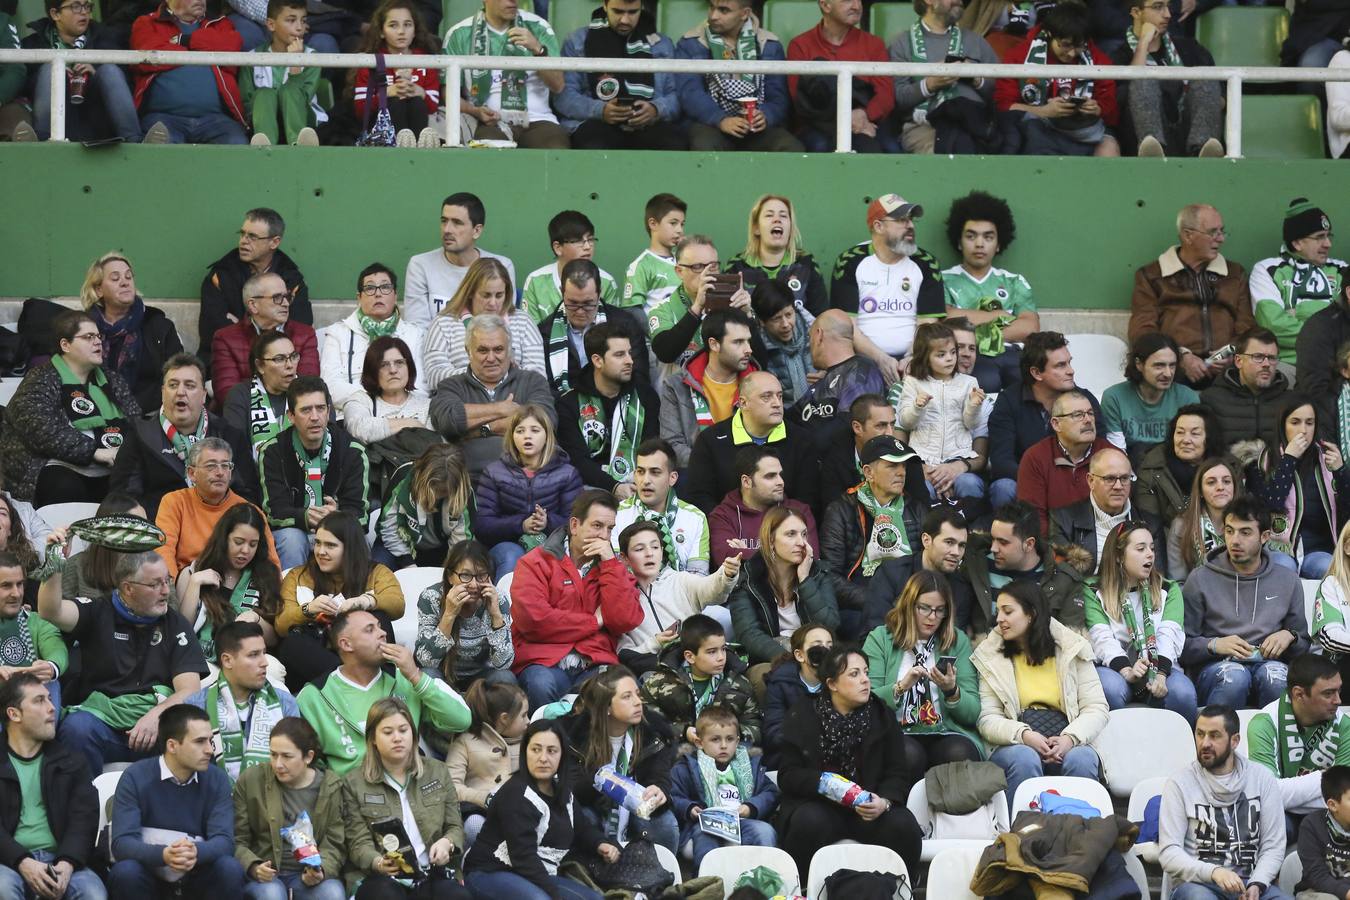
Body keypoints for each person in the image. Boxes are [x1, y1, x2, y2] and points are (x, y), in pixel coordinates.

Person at [40, 545, 207, 776]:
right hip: (102, 726)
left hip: (157, 728)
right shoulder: (98, 611)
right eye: (154, 584)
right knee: (77, 729)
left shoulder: (175, 623)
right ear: (128, 588)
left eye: (166, 580)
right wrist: (55, 560)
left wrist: (156, 715)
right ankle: (85, 808)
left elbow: (189, 690)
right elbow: (50, 611)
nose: (166, 591)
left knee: (194, 734)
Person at [776, 644, 923, 882]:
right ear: (832, 684)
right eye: (854, 674)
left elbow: (897, 772)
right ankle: (802, 889)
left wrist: (884, 801)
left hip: (868, 810)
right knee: (808, 822)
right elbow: (788, 775)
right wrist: (822, 782)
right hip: (820, 806)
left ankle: (900, 888)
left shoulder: (881, 714)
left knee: (904, 825)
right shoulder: (803, 714)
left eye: (866, 672)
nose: (865, 680)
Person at [971, 580, 1109, 813]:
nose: (999, 619)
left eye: (1008, 611)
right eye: (998, 612)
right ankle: (1023, 833)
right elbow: (987, 718)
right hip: (1016, 743)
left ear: (1031, 614)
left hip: (1067, 737)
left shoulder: (1072, 648)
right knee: (1024, 759)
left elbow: (1096, 708)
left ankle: (1082, 833)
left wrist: (1070, 739)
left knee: (1082, 759)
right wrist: (1024, 735)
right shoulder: (990, 655)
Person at [510, 490, 641, 709]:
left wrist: (610, 564)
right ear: (574, 526)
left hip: (594, 663)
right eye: (597, 526)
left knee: (627, 691)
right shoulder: (534, 563)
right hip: (543, 662)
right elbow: (534, 621)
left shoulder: (613, 569)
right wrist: (594, 622)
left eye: (610, 529)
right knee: (540, 685)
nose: (604, 536)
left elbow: (625, 620)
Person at [299, 611, 470, 776]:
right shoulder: (314, 695)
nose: (382, 633)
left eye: (380, 627)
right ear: (346, 644)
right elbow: (310, 764)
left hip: (409, 785)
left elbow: (461, 720)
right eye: (370, 629)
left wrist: (414, 676)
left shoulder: (405, 679)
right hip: (351, 795)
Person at [1181, 496, 1309, 709]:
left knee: (1276, 678)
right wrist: (1214, 645)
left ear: (1265, 536)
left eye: (1245, 532)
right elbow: (1181, 646)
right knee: (1235, 678)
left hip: (1269, 663)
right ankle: (1219, 739)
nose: (1234, 540)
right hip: (1217, 666)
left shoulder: (1287, 580)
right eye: (1229, 531)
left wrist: (1290, 636)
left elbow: (1303, 645)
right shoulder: (1200, 578)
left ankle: (1273, 741)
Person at [1, 310, 139, 504]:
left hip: (112, 465)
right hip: (55, 467)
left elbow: (135, 421)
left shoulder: (112, 379)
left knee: (137, 484)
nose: (98, 341)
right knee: (64, 486)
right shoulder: (40, 379)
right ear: (65, 345)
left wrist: (126, 455)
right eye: (88, 337)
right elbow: (40, 428)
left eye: (98, 336)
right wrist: (94, 452)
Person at [339, 698, 471, 900]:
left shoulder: (438, 771)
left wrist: (447, 843)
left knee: (457, 896)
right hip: (381, 877)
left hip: (431, 874)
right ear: (373, 738)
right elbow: (358, 842)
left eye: (403, 730)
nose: (397, 738)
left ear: (413, 734)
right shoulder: (354, 782)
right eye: (388, 732)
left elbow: (455, 826)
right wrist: (378, 863)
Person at [463, 719, 609, 900]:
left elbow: (582, 827)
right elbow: (523, 857)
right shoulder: (516, 793)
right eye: (536, 749)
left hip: (536, 874)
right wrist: (555, 895)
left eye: (551, 751)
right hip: (489, 872)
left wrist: (601, 843)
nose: (543, 758)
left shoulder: (562, 792)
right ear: (525, 752)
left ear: (562, 755)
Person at [107, 705, 244, 897]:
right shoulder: (135, 776)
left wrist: (194, 852)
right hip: (150, 876)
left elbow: (224, 841)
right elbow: (122, 843)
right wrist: (164, 855)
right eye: (200, 742)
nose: (209, 750)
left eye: (210, 741)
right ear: (172, 746)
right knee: (126, 872)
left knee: (229, 868)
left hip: (197, 875)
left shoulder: (217, 779)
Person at [1159, 705, 1290, 900]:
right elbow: (1169, 853)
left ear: (1235, 740)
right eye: (1200, 734)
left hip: (1250, 883)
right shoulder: (1179, 784)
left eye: (1214, 735)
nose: (1205, 743)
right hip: (1199, 885)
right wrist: (1214, 872)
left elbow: (1273, 846)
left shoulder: (1262, 779)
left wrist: (1258, 883)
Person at [113, 354, 258, 519]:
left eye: (190, 386)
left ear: (204, 395)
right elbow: (124, 498)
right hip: (160, 531)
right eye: (173, 385)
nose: (180, 392)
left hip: (216, 533)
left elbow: (247, 497)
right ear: (162, 393)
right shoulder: (140, 434)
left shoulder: (228, 436)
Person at [863, 570, 983, 771]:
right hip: (897, 730)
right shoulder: (880, 639)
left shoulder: (957, 640)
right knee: (908, 754)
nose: (932, 617)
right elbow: (866, 702)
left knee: (959, 753)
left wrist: (951, 691)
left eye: (940, 610)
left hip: (945, 731)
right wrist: (900, 687)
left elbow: (972, 714)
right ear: (909, 606)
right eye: (924, 608)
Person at [0, 673, 105, 900]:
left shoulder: (72, 761)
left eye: (50, 699)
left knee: (92, 893)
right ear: (14, 714)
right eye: (39, 701)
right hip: (6, 863)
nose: (52, 708)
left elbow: (84, 820)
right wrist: (22, 861)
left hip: (61, 860)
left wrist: (66, 864)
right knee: (3, 889)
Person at [274, 512, 404, 693]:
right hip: (318, 658)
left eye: (330, 545)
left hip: (360, 651)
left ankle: (374, 686)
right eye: (318, 543)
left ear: (350, 548)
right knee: (291, 643)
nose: (320, 551)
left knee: (379, 617)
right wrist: (308, 610)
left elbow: (397, 605)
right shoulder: (298, 575)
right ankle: (355, 684)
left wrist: (364, 601)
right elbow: (281, 624)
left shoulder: (376, 572)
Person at [1130, 204, 1254, 389]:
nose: (1220, 239)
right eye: (1212, 232)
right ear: (1188, 235)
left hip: (1226, 369)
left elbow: (1247, 327)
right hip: (1173, 371)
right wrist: (1181, 357)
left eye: (1222, 231)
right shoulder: (1151, 276)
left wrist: (1228, 354)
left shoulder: (1235, 274)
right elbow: (1142, 331)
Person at [1086, 521, 1197, 723]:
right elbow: (1101, 639)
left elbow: (1168, 636)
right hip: (1114, 669)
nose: (1150, 554)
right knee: (1109, 689)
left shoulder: (1169, 589)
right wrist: (1127, 671)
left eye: (1152, 548)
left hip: (1161, 667)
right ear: (1119, 556)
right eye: (1140, 548)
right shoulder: (1093, 590)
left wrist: (1161, 674)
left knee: (1183, 694)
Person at [559, 666, 679, 852]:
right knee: (582, 817)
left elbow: (659, 775)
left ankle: (658, 877)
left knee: (664, 823)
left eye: (638, 695)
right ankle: (585, 873)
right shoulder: (574, 737)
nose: (638, 702)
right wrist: (603, 782)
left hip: (635, 811)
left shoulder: (652, 733)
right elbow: (571, 789)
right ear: (606, 707)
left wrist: (659, 789)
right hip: (593, 810)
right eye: (627, 697)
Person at [830, 193, 946, 384]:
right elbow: (848, 324)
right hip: (862, 357)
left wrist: (912, 357)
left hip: (916, 355)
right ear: (878, 226)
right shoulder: (850, 261)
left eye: (911, 219)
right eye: (901, 220)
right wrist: (880, 359)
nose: (910, 225)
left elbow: (927, 322)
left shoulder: (926, 263)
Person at [258, 377, 371, 569]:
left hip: (338, 532)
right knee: (291, 539)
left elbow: (360, 515)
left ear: (329, 412)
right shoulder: (272, 451)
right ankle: (293, 597)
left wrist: (337, 517)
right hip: (295, 532)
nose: (314, 417)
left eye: (320, 408)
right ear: (291, 416)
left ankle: (351, 597)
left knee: (358, 539)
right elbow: (273, 512)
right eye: (305, 410)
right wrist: (305, 517)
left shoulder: (353, 450)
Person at [820, 435, 926, 633]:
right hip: (859, 604)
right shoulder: (842, 510)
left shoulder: (916, 509)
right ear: (868, 472)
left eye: (903, 466)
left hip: (908, 601)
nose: (901, 473)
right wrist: (877, 599)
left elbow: (926, 566)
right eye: (892, 466)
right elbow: (830, 576)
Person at [232, 716, 346, 900]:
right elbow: (238, 839)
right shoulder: (251, 779)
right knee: (272, 894)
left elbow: (335, 842)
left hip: (305, 876)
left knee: (332, 893)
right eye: (273, 754)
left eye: (286, 756)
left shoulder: (330, 786)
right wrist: (253, 866)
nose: (278, 764)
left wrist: (320, 870)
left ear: (308, 756)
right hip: (266, 875)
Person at [428, 315, 556, 476]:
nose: (491, 358)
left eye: (498, 349)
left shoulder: (532, 381)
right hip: (471, 482)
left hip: (529, 478)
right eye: (482, 350)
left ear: (509, 350)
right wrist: (502, 409)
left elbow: (544, 422)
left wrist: (480, 430)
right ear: (468, 351)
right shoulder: (451, 385)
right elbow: (449, 421)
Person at [987, 330, 1102, 510]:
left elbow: (1101, 451)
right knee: (1003, 488)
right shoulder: (1008, 401)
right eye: (1060, 365)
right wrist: (1043, 482)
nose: (1071, 371)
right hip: (1027, 483)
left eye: (1069, 363)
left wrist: (1064, 483)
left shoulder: (1084, 400)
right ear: (1036, 373)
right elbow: (1001, 462)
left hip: (1076, 482)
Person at [555, 0, 686, 150]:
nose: (625, 20)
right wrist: (601, 110)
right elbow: (563, 97)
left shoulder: (662, 44)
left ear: (641, 8)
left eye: (632, 12)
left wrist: (655, 109)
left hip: (650, 124)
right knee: (595, 144)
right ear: (605, 6)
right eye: (617, 12)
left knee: (673, 143)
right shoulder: (576, 41)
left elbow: (678, 96)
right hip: (594, 123)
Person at [674, 0, 803, 152]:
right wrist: (720, 119)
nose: (713, 16)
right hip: (709, 125)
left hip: (756, 129)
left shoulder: (769, 44)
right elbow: (689, 93)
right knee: (704, 144)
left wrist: (765, 115)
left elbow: (779, 97)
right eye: (711, 7)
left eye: (724, 10)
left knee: (790, 146)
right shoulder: (691, 42)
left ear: (745, 14)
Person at [683, 371, 818, 516]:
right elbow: (699, 497)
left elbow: (807, 502)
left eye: (779, 396)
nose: (777, 403)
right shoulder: (710, 440)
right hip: (728, 532)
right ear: (743, 403)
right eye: (767, 397)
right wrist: (726, 527)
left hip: (784, 531)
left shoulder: (802, 440)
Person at [941, 191, 1038, 390]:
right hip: (969, 358)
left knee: (1032, 384)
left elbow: (1029, 328)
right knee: (985, 381)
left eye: (988, 236)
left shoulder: (1014, 281)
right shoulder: (943, 279)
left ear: (998, 243)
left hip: (1013, 355)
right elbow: (946, 318)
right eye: (971, 236)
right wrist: (998, 315)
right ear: (959, 242)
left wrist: (971, 329)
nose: (979, 243)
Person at [994, 3, 1120, 156]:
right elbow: (1003, 106)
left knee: (1109, 145)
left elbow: (1111, 108)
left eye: (1079, 46)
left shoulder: (1098, 59)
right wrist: (1043, 111)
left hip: (1085, 131)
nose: (1072, 53)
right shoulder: (1019, 56)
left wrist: (1097, 108)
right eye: (1065, 45)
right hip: (1038, 128)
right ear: (1048, 34)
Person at [615, 520, 738, 675]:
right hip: (654, 671)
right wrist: (655, 643)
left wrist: (726, 574)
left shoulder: (680, 580)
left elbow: (712, 590)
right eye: (639, 549)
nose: (649, 553)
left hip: (697, 663)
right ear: (624, 558)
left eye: (655, 547)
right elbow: (626, 654)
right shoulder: (619, 598)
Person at [955, 499, 1092, 635]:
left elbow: (1072, 643)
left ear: (1029, 544)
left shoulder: (1064, 579)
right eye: (993, 539)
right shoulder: (975, 563)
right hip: (979, 652)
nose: (994, 548)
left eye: (1003, 542)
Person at [443, 0, 568, 148]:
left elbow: (558, 86)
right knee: (488, 149)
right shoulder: (460, 33)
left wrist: (538, 50)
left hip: (537, 120)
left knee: (555, 149)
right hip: (488, 122)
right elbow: (448, 93)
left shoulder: (538, 27)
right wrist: (475, 111)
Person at [200, 208, 312, 372]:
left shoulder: (292, 280)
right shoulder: (221, 276)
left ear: (274, 242)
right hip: (229, 366)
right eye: (242, 234)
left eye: (252, 237)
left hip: (281, 370)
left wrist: (240, 326)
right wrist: (269, 326)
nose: (243, 241)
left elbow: (299, 331)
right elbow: (213, 333)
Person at [185, 621, 298, 781]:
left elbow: (296, 765)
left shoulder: (285, 702)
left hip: (275, 798)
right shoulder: (196, 706)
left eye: (264, 653)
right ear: (227, 660)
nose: (264, 662)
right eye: (253, 654)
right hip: (215, 800)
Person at [475, 406, 582, 576]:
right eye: (520, 430)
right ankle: (501, 602)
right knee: (512, 557)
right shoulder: (494, 472)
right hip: (507, 544)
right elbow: (482, 525)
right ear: (512, 436)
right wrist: (521, 524)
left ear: (547, 435)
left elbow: (577, 523)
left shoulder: (567, 473)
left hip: (554, 543)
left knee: (549, 559)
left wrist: (548, 523)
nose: (527, 436)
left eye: (535, 430)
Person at [669, 706, 779, 869]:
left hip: (742, 822)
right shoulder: (687, 767)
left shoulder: (749, 765)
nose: (723, 745)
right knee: (705, 840)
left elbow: (770, 792)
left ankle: (765, 881)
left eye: (729, 739)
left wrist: (750, 807)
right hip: (705, 825)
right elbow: (674, 796)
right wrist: (690, 808)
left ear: (738, 740)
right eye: (715, 739)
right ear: (699, 742)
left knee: (765, 832)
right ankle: (708, 885)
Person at [1252, 396, 1350, 578]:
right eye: (1295, 422)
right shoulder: (1268, 458)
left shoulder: (1327, 457)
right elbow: (1270, 504)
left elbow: (1347, 509)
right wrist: (1288, 460)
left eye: (1309, 423)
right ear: (1283, 425)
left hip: (1320, 549)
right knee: (1283, 569)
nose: (1303, 430)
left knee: (1327, 567)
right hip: (1280, 549)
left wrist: (1341, 471)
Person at [556, 324, 661, 495]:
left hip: (639, 483)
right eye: (620, 355)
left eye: (629, 352)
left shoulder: (646, 396)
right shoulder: (569, 403)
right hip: (587, 488)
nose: (630, 360)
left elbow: (651, 450)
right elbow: (577, 461)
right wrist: (614, 487)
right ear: (598, 360)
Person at [729, 506, 840, 665]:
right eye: (791, 534)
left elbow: (830, 625)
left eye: (804, 534)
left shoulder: (818, 573)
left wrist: (805, 580)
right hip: (769, 660)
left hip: (817, 656)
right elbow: (749, 635)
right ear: (771, 540)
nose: (801, 543)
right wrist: (790, 659)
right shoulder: (747, 578)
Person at [1110, 0, 1223, 157]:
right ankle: (1152, 148)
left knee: (1204, 78)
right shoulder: (1118, 58)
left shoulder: (1190, 48)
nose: (1168, 14)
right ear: (1136, 12)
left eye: (1168, 6)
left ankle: (1203, 149)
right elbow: (1123, 102)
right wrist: (1143, 43)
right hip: (1141, 140)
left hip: (1189, 134)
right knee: (1142, 79)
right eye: (1158, 7)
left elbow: (1221, 97)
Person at [893, 320, 987, 503]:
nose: (951, 359)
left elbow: (972, 424)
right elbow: (906, 422)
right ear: (925, 357)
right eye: (941, 355)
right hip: (923, 460)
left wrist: (974, 406)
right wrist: (917, 407)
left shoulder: (969, 383)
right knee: (921, 486)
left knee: (969, 484)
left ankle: (969, 529)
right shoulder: (913, 382)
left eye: (953, 352)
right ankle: (924, 529)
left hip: (959, 458)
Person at [129, 0, 247, 145]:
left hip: (216, 119)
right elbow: (148, 51)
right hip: (163, 118)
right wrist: (205, 50)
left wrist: (185, 40)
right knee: (161, 151)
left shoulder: (219, 23)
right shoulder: (147, 22)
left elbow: (232, 44)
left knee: (238, 144)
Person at [890, 0, 1001, 154]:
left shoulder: (976, 41)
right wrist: (930, 84)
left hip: (976, 124)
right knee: (945, 155)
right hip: (926, 127)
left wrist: (975, 78)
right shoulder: (901, 43)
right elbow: (897, 99)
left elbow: (1000, 92)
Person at [22, 0, 140, 144]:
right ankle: (41, 143)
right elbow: (24, 88)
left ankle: (135, 141)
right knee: (50, 70)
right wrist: (60, 75)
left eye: (87, 6)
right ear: (55, 14)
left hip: (98, 122)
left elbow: (129, 82)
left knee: (110, 70)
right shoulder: (32, 44)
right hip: (56, 123)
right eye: (76, 7)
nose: (84, 12)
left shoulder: (106, 38)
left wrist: (96, 70)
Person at [1247, 653, 1350, 818]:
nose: (1338, 700)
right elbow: (1266, 794)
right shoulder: (1264, 724)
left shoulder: (1346, 726)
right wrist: (1328, 776)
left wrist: (1286, 794)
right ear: (1299, 694)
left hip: (1329, 816)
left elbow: (1345, 800)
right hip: (1281, 815)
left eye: (1339, 691)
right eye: (1328, 693)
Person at [156, 439, 278, 578]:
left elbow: (271, 564)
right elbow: (163, 550)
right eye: (211, 466)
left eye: (225, 466)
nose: (220, 472)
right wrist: (171, 593)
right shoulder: (174, 502)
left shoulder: (249, 512)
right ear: (191, 473)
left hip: (236, 589)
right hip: (188, 584)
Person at [77, 252, 183, 411]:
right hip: (91, 413)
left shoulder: (158, 326)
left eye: (128, 277)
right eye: (115, 278)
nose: (124, 283)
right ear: (99, 289)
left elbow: (176, 376)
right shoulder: (81, 328)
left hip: (147, 416)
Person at [789, 0, 895, 153]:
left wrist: (864, 114)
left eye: (858, 0)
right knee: (821, 146)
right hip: (818, 125)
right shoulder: (800, 45)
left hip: (866, 120)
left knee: (891, 150)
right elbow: (800, 101)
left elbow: (886, 95)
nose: (856, 6)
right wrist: (847, 120)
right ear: (825, 5)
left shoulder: (874, 44)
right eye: (847, 1)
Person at [177, 503, 284, 652]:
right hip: (200, 659)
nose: (245, 550)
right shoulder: (193, 573)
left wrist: (256, 619)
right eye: (238, 542)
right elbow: (181, 633)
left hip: (247, 660)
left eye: (253, 544)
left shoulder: (267, 575)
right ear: (223, 539)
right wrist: (194, 584)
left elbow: (273, 640)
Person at [641, 612, 760, 746]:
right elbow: (646, 721)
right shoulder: (660, 683)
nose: (721, 657)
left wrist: (726, 736)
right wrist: (683, 732)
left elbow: (754, 726)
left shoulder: (740, 683)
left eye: (723, 649)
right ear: (690, 656)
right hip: (676, 756)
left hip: (726, 754)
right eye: (712, 652)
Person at [659, 308, 758, 468]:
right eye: (738, 342)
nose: (749, 349)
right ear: (714, 344)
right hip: (696, 473)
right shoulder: (676, 385)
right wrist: (711, 467)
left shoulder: (759, 383)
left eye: (748, 341)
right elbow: (671, 445)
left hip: (747, 474)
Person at [422, 259, 544, 388]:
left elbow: (539, 376)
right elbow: (435, 377)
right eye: (486, 295)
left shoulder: (522, 321)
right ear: (470, 293)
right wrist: (481, 372)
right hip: (464, 402)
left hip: (514, 400)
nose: (493, 303)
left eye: (499, 295)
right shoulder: (444, 323)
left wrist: (503, 372)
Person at [1251, 199, 1345, 367]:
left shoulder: (1343, 270)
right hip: (1291, 366)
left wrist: (1294, 317)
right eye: (1319, 237)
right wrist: (1334, 336)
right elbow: (1274, 327)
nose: (1328, 244)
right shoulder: (1267, 270)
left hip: (1341, 365)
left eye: (1328, 236)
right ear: (1296, 243)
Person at [537, 258, 651, 395]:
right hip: (564, 408)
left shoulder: (625, 324)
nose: (580, 311)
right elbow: (544, 387)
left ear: (599, 293)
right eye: (572, 303)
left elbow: (640, 378)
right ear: (562, 292)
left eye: (588, 303)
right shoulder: (545, 332)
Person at [321, 263, 426, 409]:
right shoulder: (338, 333)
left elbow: (421, 387)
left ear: (395, 296)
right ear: (359, 297)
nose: (378, 293)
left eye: (385, 287)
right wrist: (374, 401)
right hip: (351, 414)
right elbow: (330, 386)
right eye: (370, 288)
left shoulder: (415, 335)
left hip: (404, 413)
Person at [413, 541, 516, 691]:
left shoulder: (497, 599)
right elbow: (426, 660)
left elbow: (504, 663)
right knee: (428, 675)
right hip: (443, 673)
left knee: (505, 678)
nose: (474, 585)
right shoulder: (431, 597)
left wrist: (495, 614)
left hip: (481, 677)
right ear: (450, 576)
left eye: (481, 576)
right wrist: (449, 614)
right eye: (466, 575)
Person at [403, 193, 517, 327]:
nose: (447, 229)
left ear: (477, 231)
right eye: (444, 221)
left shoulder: (501, 266)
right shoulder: (420, 265)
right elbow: (418, 329)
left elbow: (502, 323)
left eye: (457, 223)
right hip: (435, 346)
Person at [210, 271, 320, 410]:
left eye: (287, 297)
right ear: (253, 305)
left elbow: (308, 386)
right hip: (245, 417)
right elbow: (227, 393)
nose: (286, 303)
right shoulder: (225, 338)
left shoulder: (304, 334)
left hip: (293, 415)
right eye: (277, 298)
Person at [648, 234, 756, 373]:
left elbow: (759, 360)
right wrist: (697, 308)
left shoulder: (734, 305)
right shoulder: (662, 309)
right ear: (679, 271)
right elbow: (666, 353)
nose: (707, 273)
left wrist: (747, 315)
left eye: (713, 266)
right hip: (680, 391)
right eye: (698, 267)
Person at [1048, 446, 1164, 571]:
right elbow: (1062, 579)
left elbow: (1158, 579)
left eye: (1125, 478)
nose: (1118, 486)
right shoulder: (1064, 520)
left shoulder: (1151, 525)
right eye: (1110, 479)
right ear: (1091, 481)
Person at [1017, 389, 1115, 533]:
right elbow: (1034, 520)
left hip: (1102, 542)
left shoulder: (1111, 456)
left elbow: (1119, 516)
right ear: (1056, 424)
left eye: (1090, 413)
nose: (1088, 420)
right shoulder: (1035, 458)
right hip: (1053, 545)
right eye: (1078, 415)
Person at [708, 445, 820, 569]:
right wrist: (786, 555)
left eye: (780, 475)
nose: (780, 482)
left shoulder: (799, 511)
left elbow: (811, 559)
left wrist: (747, 553)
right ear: (746, 482)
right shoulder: (723, 515)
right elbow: (726, 560)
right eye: (770, 476)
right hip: (744, 588)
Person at [445, 681, 527, 847]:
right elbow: (450, 787)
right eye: (524, 715)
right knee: (474, 824)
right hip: (482, 813)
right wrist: (483, 798)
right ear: (504, 718)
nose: (529, 721)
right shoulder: (465, 742)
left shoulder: (531, 742)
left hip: (523, 813)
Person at [350, 0, 440, 148]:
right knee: (396, 103)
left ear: (415, 30)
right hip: (381, 133)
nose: (401, 31)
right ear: (381, 32)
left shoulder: (425, 60)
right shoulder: (371, 62)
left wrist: (421, 93)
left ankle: (420, 150)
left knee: (417, 103)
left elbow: (433, 107)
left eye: (407, 25)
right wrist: (386, 93)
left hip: (418, 120)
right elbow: (360, 109)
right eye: (393, 25)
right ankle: (398, 148)